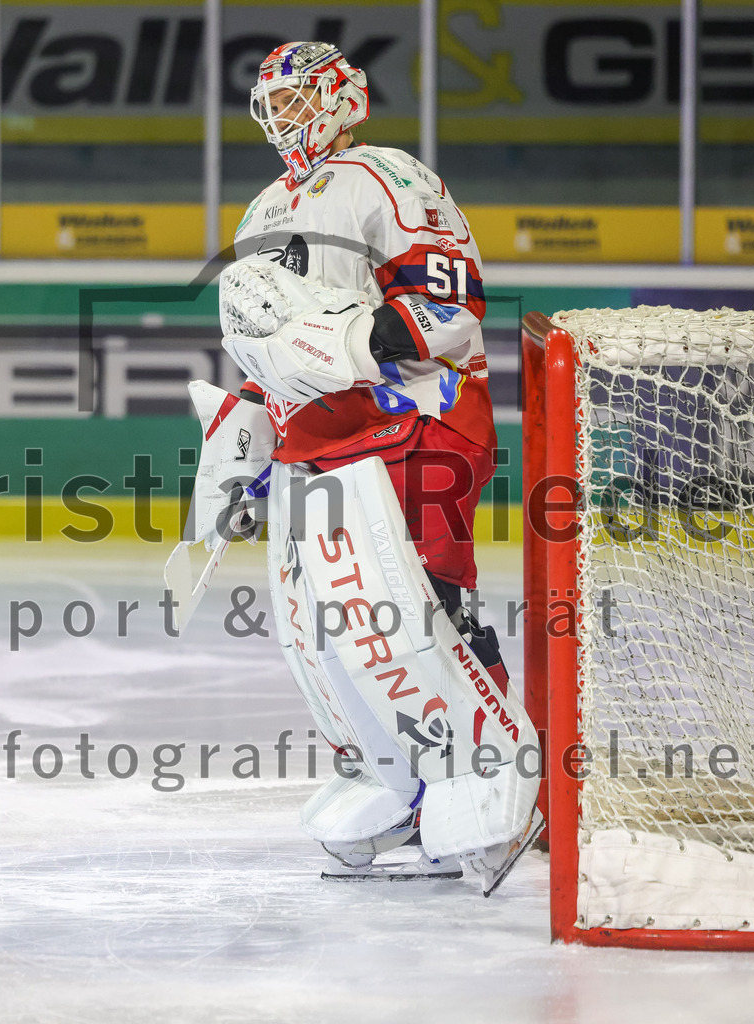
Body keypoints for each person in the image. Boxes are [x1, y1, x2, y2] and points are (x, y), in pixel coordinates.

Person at [198, 41, 541, 892]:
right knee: (336, 630)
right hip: (316, 448)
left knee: (428, 609)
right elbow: (261, 352)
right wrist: (249, 458)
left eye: (298, 98)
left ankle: (492, 774)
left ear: (340, 97)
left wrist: (354, 341)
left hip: (411, 420)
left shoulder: (384, 175)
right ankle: (408, 784)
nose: (284, 118)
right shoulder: (261, 210)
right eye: (271, 103)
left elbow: (447, 298)